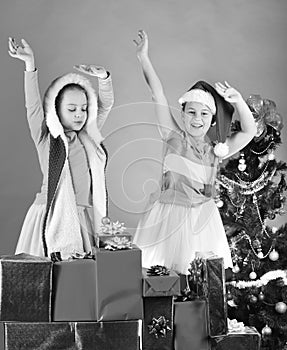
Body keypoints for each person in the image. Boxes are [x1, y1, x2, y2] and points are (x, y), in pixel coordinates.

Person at [132, 30, 257, 274]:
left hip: (202, 217)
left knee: (200, 276)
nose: (197, 119)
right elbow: (157, 93)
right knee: (166, 274)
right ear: (182, 114)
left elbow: (249, 132)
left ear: (211, 120)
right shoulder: (173, 136)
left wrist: (238, 102)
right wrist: (143, 58)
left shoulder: (216, 149)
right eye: (191, 112)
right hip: (169, 213)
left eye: (203, 114)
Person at [8, 37, 114, 260]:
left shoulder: (87, 137)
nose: (79, 114)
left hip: (82, 216)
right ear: (57, 111)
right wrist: (30, 65)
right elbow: (33, 107)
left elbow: (105, 105)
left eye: (84, 109)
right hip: (52, 214)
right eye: (72, 109)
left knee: (80, 276)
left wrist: (103, 78)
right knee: (49, 275)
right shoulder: (47, 138)